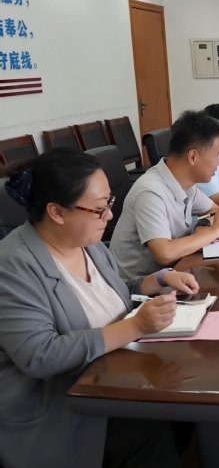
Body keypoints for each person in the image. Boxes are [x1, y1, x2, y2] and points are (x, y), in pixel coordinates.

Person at [0, 148, 201, 468]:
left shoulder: (89, 244)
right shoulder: (13, 266)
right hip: (58, 405)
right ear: (56, 211)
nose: (109, 216)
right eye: (99, 208)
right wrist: (136, 326)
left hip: (111, 377)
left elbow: (109, 298)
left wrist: (157, 280)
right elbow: (39, 355)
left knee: (186, 410)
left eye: (109, 202)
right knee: (152, 434)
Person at [111, 110, 219, 279]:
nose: (218, 162)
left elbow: (214, 210)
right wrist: (214, 230)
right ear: (193, 157)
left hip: (173, 273)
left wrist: (203, 227)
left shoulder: (185, 182)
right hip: (139, 286)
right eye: (216, 155)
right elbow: (164, 254)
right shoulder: (150, 192)